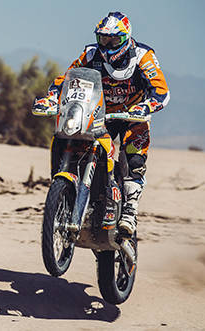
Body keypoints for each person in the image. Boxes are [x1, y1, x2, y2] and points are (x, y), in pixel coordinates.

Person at [35, 12, 170, 236]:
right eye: (103, 39)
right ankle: (73, 195)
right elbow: (67, 78)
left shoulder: (143, 56)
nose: (107, 45)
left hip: (132, 117)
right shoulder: (90, 53)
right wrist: (51, 97)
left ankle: (129, 211)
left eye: (114, 40)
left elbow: (161, 91)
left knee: (134, 159)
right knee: (72, 140)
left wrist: (146, 106)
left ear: (126, 38)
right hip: (99, 114)